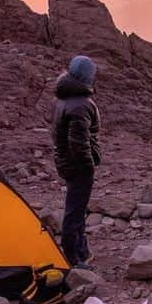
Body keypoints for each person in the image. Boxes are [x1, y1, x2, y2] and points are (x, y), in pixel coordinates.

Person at [52, 55, 100, 266]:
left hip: (67, 162)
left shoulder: (64, 98)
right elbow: (78, 143)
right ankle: (72, 257)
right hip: (77, 166)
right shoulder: (80, 105)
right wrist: (88, 167)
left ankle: (82, 252)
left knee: (78, 209)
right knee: (75, 211)